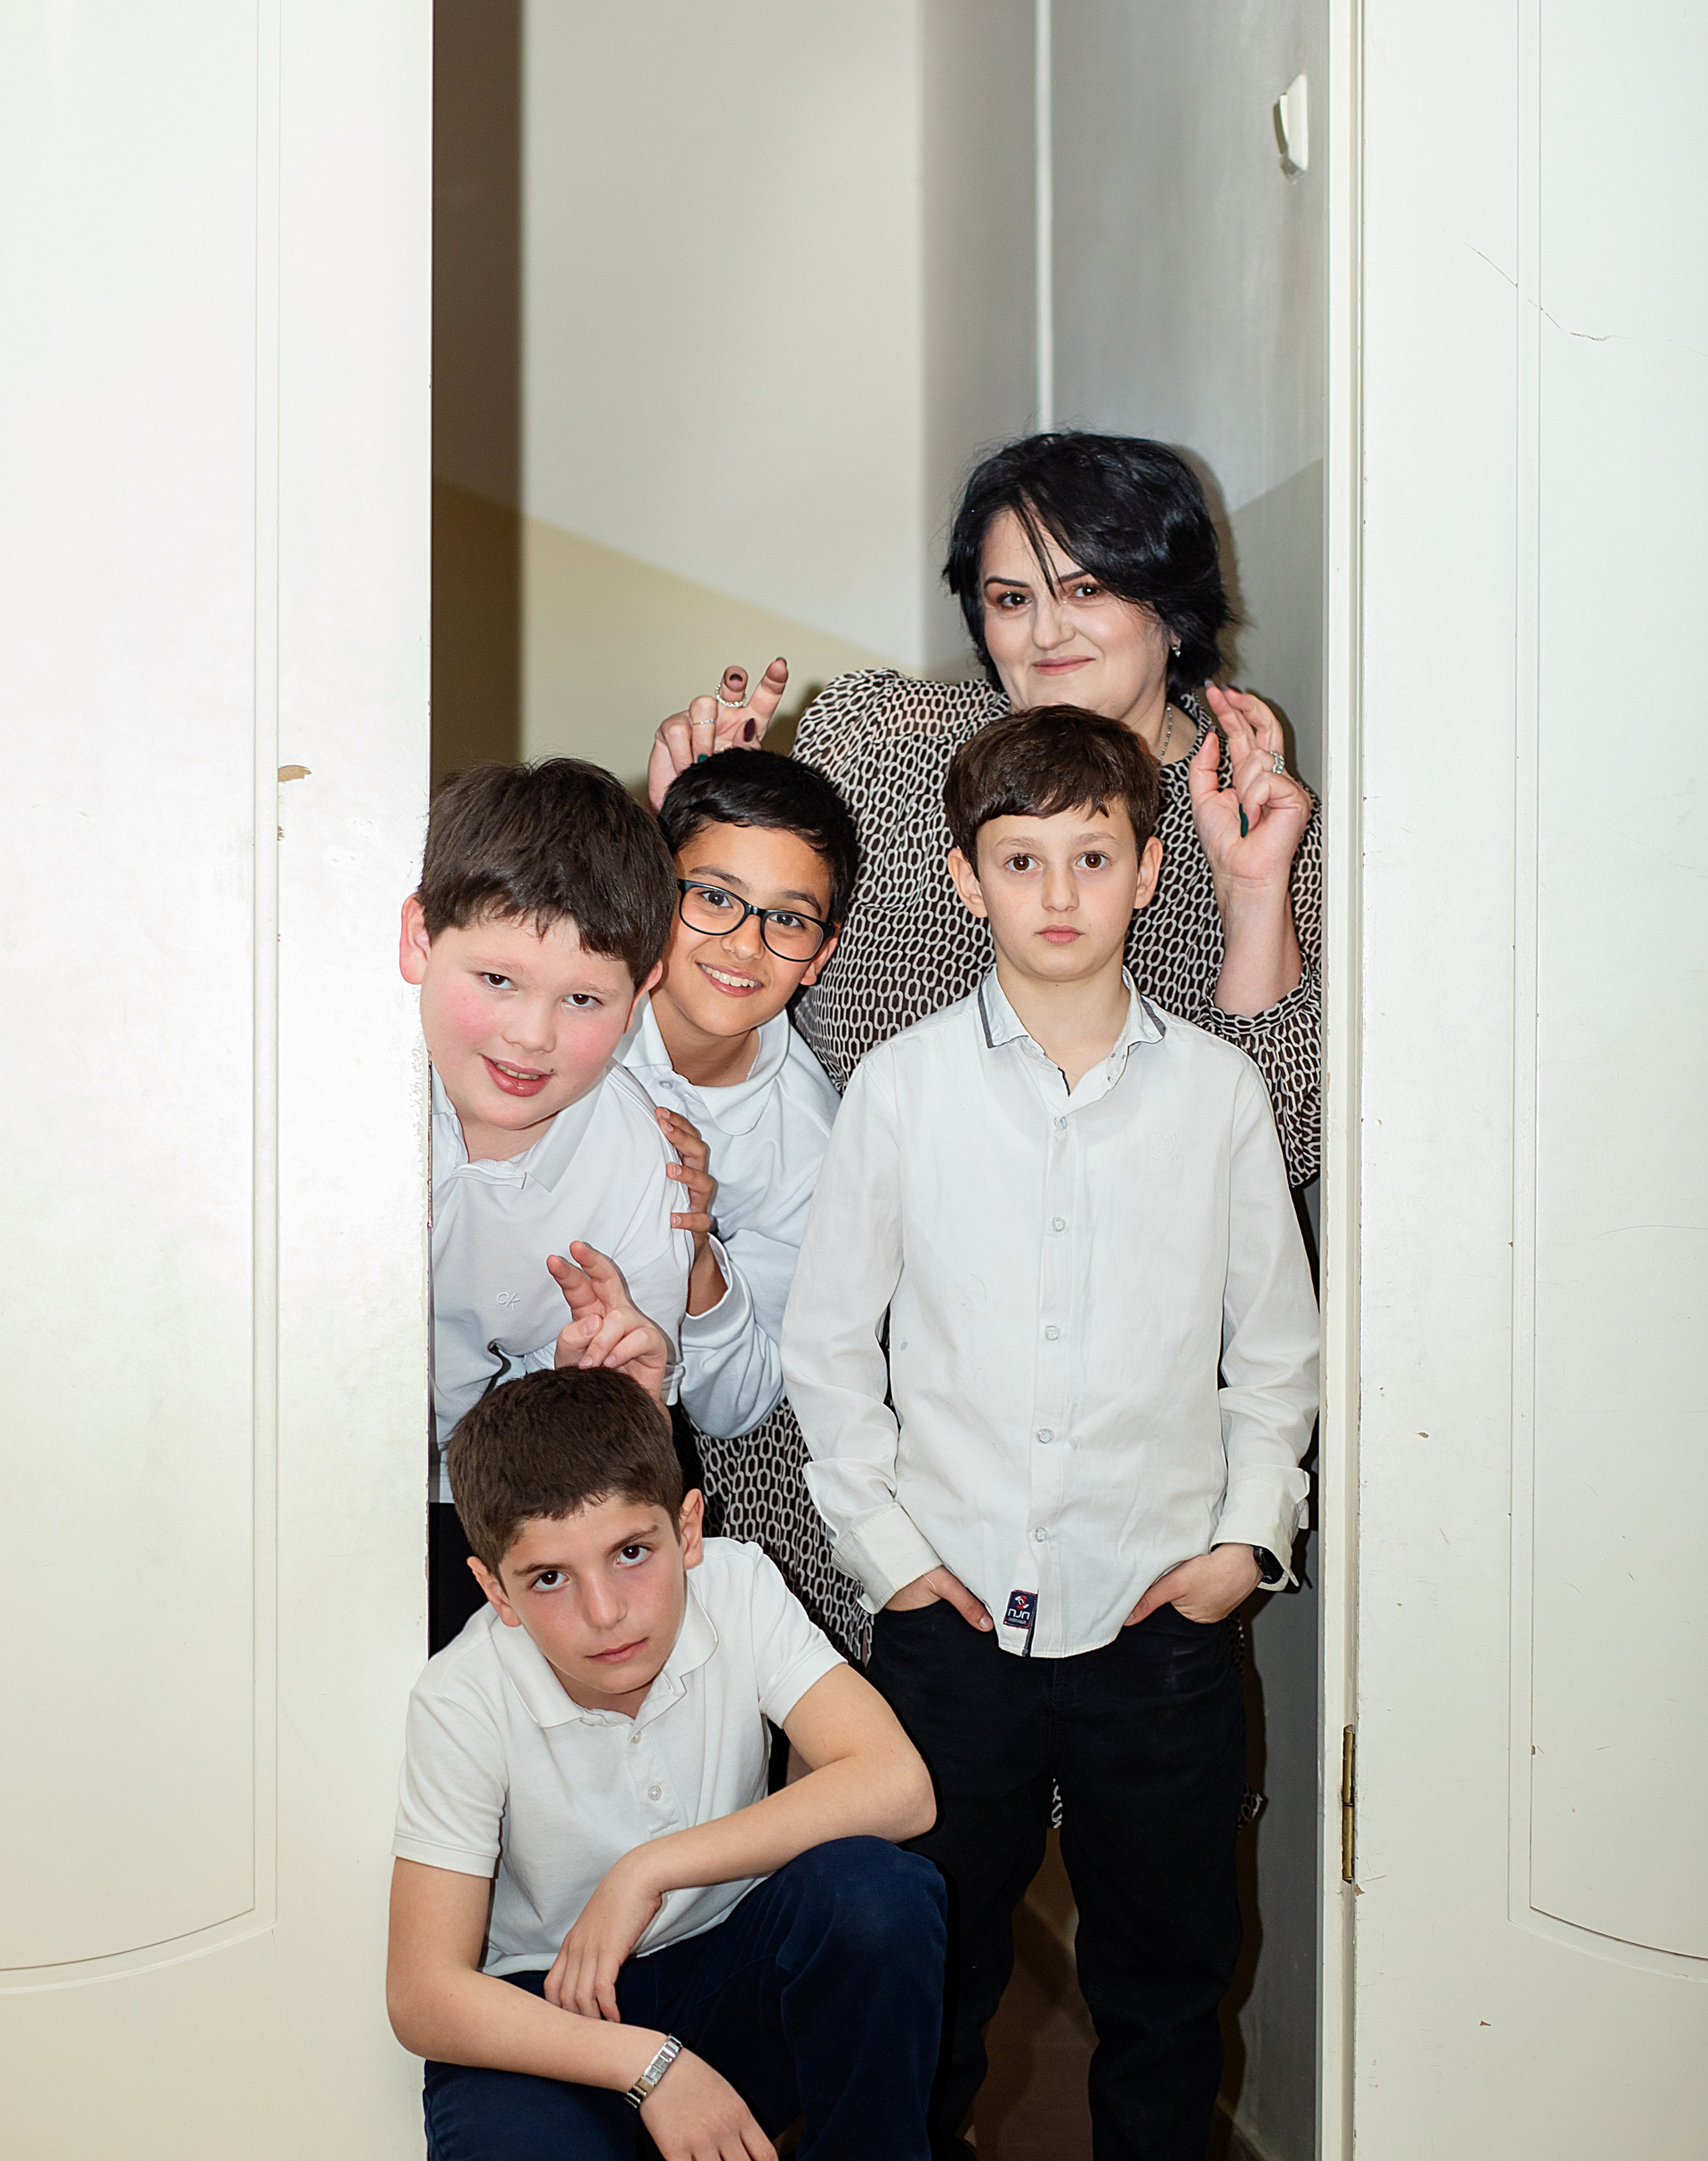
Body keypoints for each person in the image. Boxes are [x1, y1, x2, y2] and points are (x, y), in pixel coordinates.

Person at [780, 706, 1320, 2161]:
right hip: (951, 1619)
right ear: (966, 881)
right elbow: (829, 1349)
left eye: (1095, 857)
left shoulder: (1218, 1094)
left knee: (1169, 1952)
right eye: (1023, 861)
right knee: (935, 1949)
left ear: (1151, 870)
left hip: (1161, 1617)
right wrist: (892, 1561)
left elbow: (1274, 1353)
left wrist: (1242, 1547)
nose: (1061, 892)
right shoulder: (900, 1089)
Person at [386, 1365, 1031, 2161]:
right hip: (553, 2015)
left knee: (878, 1891)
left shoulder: (736, 1584)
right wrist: (651, 2065)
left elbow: (897, 1786)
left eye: (631, 1553)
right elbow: (424, 1993)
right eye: (547, 1578)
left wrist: (649, 1868)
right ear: (493, 1589)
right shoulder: (463, 1696)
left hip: (730, 1980)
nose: (605, 1612)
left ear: (688, 1528)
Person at [649, 429, 1322, 1185]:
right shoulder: (878, 738)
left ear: (1172, 607)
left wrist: (1251, 897)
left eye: (1087, 590)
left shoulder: (1256, 819)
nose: (1047, 633)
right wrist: (690, 836)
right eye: (1012, 599)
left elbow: (1277, 1153)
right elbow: (727, 989)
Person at [404, 755, 773, 1650]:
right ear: (417, 939)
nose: (531, 1035)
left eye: (581, 999)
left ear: (641, 994)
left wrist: (578, 1389)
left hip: (473, 1506)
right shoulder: (311, 1076)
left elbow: (595, 1465)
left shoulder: (644, 1172)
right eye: (497, 980)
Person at [621, 749, 866, 1661]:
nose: (743, 944)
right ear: (658, 893)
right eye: (715, 897)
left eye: (787, 919)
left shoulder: (813, 1144)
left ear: (820, 957)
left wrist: (698, 1251)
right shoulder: (570, 1005)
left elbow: (737, 1402)